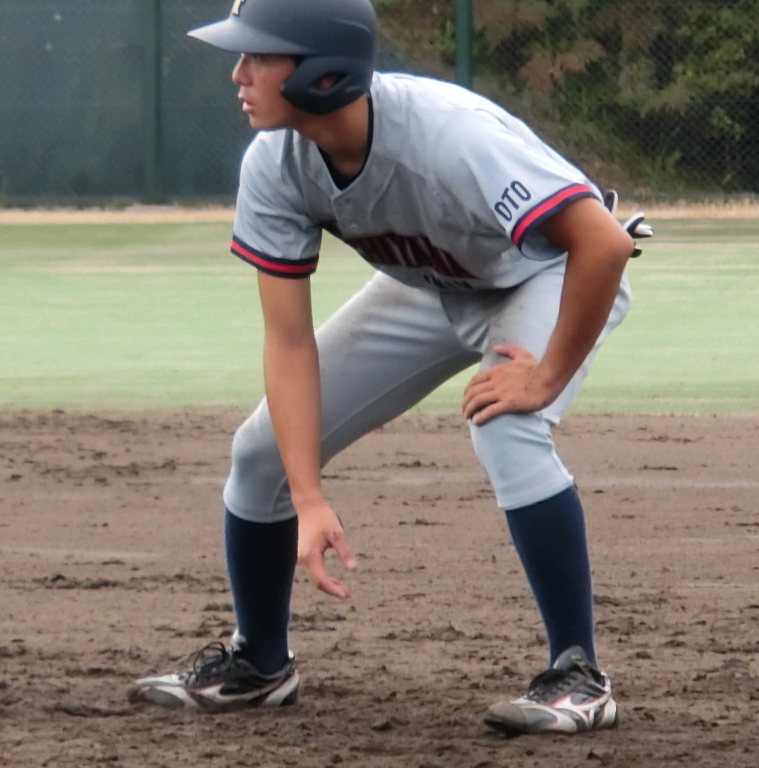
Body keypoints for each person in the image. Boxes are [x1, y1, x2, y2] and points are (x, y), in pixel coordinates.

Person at [126, 0, 652, 736]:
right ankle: (260, 664)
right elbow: (288, 342)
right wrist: (307, 495)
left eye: (258, 57)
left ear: (320, 71)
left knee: (509, 426)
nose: (238, 75)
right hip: (433, 284)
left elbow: (600, 242)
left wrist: (545, 376)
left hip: (546, 274)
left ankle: (578, 675)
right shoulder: (275, 163)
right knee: (261, 452)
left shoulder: (447, 136)